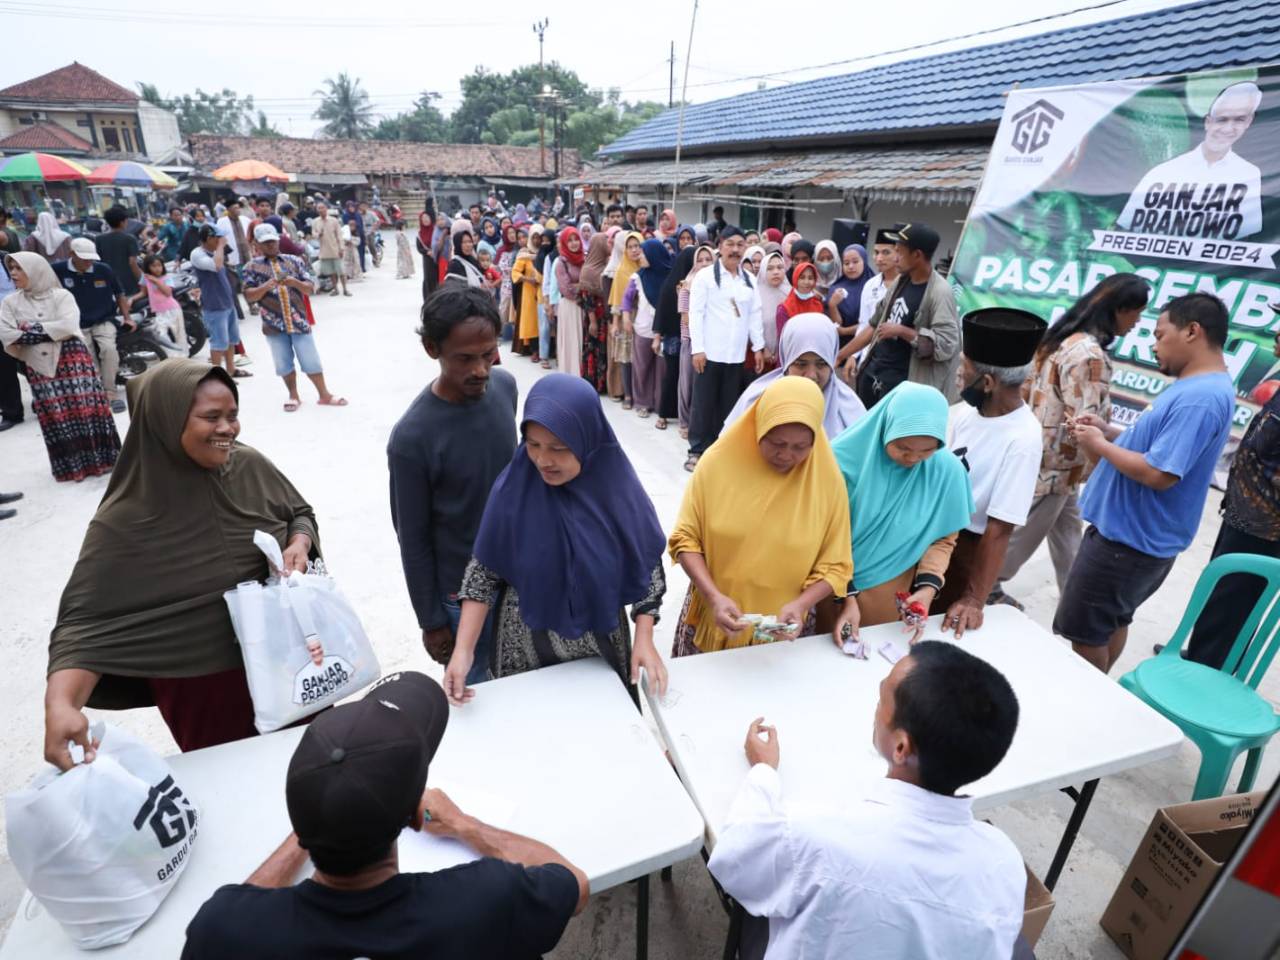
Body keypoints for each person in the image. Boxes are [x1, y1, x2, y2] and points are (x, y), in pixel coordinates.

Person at [180, 671, 586, 960]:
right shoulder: (485, 898)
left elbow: (242, 906)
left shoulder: (225, 931)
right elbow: (573, 882)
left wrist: (319, 815)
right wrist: (464, 824)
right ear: (413, 817)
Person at [43, 360, 318, 763]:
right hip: (205, 693)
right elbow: (82, 628)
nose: (228, 429)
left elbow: (298, 511)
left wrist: (300, 542)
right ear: (165, 422)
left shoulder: (249, 466)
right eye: (212, 417)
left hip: (291, 668)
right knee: (242, 790)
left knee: (319, 767)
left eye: (232, 415)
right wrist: (61, 707)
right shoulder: (123, 520)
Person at [708, 642, 1024, 960]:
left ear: (901, 748)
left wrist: (764, 770)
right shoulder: (1004, 862)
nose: (877, 694)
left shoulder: (815, 836)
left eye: (883, 695)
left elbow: (734, 856)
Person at [443, 374, 669, 703]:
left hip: (599, 645)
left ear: (588, 440)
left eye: (559, 448)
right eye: (532, 445)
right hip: (523, 648)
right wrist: (463, 652)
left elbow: (648, 567)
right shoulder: (513, 490)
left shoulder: (618, 492)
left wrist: (644, 637)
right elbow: (482, 575)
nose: (543, 460)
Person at [1054, 293, 1235, 672]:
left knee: (1086, 635)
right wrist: (1109, 431)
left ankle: (1086, 701)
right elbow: (1160, 448)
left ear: (1192, 331)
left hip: (1127, 545)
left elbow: (1159, 473)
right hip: (1134, 540)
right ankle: (1099, 691)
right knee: (1112, 621)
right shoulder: (1200, 388)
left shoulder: (1199, 398)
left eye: (1158, 334)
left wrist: (1099, 445)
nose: (1153, 345)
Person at [992, 274, 1151, 610]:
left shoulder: (1062, 338)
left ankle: (1076, 600)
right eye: (1136, 313)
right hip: (1056, 463)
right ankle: (985, 585)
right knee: (1023, 536)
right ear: (1118, 309)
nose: (1137, 323)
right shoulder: (1089, 355)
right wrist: (1104, 468)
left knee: (1067, 535)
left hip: (1050, 457)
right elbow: (1086, 423)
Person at [389, 286, 518, 687]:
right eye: (464, 358)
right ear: (432, 348)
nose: (480, 369)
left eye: (488, 354)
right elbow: (413, 539)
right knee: (473, 689)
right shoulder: (412, 438)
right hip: (459, 597)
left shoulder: (506, 388)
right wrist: (431, 621)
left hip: (518, 578)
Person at [669, 377, 852, 655]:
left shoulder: (827, 482)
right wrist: (713, 596)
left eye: (800, 447)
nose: (786, 455)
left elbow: (836, 564)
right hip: (715, 615)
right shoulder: (717, 464)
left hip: (784, 628)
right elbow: (685, 539)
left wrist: (801, 605)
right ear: (759, 426)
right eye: (775, 442)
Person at [828, 382, 972, 643]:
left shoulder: (945, 473)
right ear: (885, 429)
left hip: (888, 595)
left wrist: (927, 589)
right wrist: (844, 596)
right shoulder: (839, 463)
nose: (913, 459)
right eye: (903, 447)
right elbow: (820, 537)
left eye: (927, 450)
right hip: (826, 588)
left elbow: (942, 539)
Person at [936, 308, 1046, 638]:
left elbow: (999, 528)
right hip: (934, 540)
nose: (957, 376)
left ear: (987, 382)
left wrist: (973, 598)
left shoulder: (1023, 438)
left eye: (963, 369)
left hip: (968, 552)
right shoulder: (967, 412)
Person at [1187, 311, 1280, 668]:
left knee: (1234, 607)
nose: (1275, 332)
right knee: (1219, 597)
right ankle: (1200, 657)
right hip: (1245, 515)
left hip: (1264, 529)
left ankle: (1207, 676)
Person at [0, 252, 120, 481]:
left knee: (86, 410)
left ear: (36, 270)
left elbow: (67, 326)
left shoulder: (61, 295)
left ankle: (103, 461)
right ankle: (72, 468)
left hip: (73, 363)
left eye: (19, 268)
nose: (13, 273)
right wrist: (48, 331)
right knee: (56, 416)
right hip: (40, 366)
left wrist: (26, 328)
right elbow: (6, 333)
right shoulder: (10, 302)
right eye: (11, 268)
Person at [1117, 81, 1262, 240]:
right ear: (1208, 122)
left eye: (1239, 120)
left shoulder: (1249, 174)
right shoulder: (1162, 172)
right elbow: (1125, 231)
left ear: (1249, 122)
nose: (1228, 128)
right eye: (1222, 119)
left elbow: (1246, 237)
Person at [849, 223, 960, 408]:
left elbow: (946, 345)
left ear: (917, 255)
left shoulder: (940, 292)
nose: (896, 258)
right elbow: (874, 324)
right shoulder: (901, 281)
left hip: (904, 389)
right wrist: (842, 355)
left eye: (899, 252)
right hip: (875, 376)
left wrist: (902, 331)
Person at [243, 224, 346, 412]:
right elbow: (249, 296)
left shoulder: (294, 261)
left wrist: (295, 283)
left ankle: (324, 394)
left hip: (298, 320)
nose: (271, 246)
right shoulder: (252, 267)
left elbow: (310, 287)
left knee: (311, 358)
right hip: (273, 324)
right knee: (283, 362)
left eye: (273, 241)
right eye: (266, 243)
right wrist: (265, 287)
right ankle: (293, 395)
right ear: (257, 244)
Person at [686, 226, 764, 472]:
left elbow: (754, 315)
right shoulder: (705, 277)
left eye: (740, 245)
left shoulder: (750, 280)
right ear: (720, 246)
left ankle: (721, 449)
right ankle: (696, 450)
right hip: (709, 353)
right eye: (730, 244)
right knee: (703, 402)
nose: (735, 249)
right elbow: (695, 314)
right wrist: (697, 349)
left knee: (729, 404)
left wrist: (759, 347)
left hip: (736, 355)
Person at [726, 312, 866, 438]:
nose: (811, 375)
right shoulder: (756, 402)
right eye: (800, 364)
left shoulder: (850, 411)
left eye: (822, 364)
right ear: (786, 362)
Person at [52, 237, 132, 413]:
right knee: (86, 356)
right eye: (84, 259)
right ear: (72, 254)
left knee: (109, 350)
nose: (89, 263)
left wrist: (127, 318)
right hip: (76, 323)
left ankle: (110, 392)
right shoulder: (57, 270)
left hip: (104, 319)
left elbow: (119, 294)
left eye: (91, 259)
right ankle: (96, 392)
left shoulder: (103, 269)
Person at [190, 224, 246, 379]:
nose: (222, 240)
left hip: (227, 302)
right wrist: (221, 246)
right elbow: (216, 265)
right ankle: (218, 377)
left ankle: (231, 370)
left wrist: (220, 246)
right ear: (209, 238)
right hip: (214, 305)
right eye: (219, 238)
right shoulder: (197, 254)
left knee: (231, 340)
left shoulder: (214, 252)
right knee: (218, 343)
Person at [625, 237, 672, 421]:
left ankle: (660, 404)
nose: (639, 255)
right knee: (642, 368)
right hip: (643, 330)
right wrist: (626, 317)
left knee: (662, 371)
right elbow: (626, 300)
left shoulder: (670, 278)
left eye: (643, 253)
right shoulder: (637, 277)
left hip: (664, 332)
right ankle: (643, 403)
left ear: (654, 255)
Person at [608, 231, 644, 408]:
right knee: (625, 357)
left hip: (644, 316)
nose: (634, 250)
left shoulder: (647, 267)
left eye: (637, 246)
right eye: (630, 247)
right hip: (626, 317)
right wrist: (615, 324)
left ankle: (641, 395)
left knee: (642, 357)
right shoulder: (622, 270)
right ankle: (628, 394)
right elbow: (616, 299)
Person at [578, 231, 611, 393]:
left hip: (604, 317)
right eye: (605, 242)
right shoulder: (588, 269)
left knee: (603, 350)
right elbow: (586, 297)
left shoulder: (606, 265)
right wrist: (592, 321)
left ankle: (603, 383)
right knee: (593, 349)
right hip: (594, 319)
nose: (608, 245)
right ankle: (593, 383)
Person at [827, 243, 872, 352]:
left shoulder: (874, 287)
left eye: (855, 262)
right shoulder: (835, 288)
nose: (851, 266)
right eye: (846, 263)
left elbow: (873, 323)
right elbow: (837, 324)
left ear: (864, 262)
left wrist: (845, 331)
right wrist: (832, 305)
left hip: (865, 346)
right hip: (839, 347)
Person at [554, 226, 585, 377]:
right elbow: (566, 289)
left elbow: (591, 282)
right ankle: (570, 375)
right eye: (570, 240)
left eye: (576, 239)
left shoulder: (584, 259)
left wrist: (580, 286)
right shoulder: (561, 263)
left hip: (584, 306)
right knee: (571, 341)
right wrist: (583, 287)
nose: (574, 243)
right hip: (570, 306)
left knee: (582, 341)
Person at [94, 206, 142, 299]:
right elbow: (132, 263)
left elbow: (98, 261)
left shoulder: (99, 239)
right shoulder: (129, 238)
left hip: (110, 282)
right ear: (122, 222)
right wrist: (141, 280)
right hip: (129, 283)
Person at [215, 199, 252, 316]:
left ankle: (252, 305)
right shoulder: (221, 222)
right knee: (237, 284)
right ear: (228, 210)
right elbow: (219, 239)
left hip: (248, 256)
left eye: (238, 208)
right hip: (232, 259)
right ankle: (239, 310)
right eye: (234, 208)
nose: (237, 210)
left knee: (249, 282)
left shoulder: (246, 220)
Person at [142, 253, 186, 349]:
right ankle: (169, 356)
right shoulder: (145, 278)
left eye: (159, 265)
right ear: (148, 267)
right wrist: (131, 299)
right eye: (153, 266)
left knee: (179, 334)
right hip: (159, 311)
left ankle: (182, 356)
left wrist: (157, 281)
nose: (157, 268)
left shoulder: (167, 277)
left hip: (172, 309)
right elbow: (143, 293)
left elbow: (168, 292)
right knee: (161, 334)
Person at [512, 224, 543, 359]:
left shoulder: (545, 252)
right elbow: (515, 272)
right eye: (534, 237)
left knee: (545, 322)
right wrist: (528, 279)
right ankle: (534, 350)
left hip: (543, 290)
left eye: (539, 237)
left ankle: (547, 349)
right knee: (532, 321)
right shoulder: (525, 254)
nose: (536, 241)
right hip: (529, 292)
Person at [774, 262, 825, 340]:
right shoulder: (784, 309)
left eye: (810, 278)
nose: (806, 282)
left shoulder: (818, 305)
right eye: (802, 277)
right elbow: (782, 340)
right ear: (795, 279)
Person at [310, 201, 349, 297]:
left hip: (335, 250)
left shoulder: (334, 221)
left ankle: (345, 289)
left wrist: (341, 248)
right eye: (319, 208)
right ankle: (335, 289)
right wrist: (318, 234)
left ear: (326, 209)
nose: (321, 210)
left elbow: (339, 235)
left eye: (322, 207)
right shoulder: (315, 221)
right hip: (324, 251)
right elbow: (313, 234)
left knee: (341, 271)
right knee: (331, 272)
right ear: (316, 210)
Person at [446, 221, 486, 288]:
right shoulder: (455, 265)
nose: (468, 245)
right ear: (457, 244)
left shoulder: (473, 260)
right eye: (464, 242)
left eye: (470, 242)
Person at [342, 200, 367, 273]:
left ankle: (361, 269)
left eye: (352, 206)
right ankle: (351, 272)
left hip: (359, 236)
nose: (351, 208)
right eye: (349, 207)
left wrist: (363, 237)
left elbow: (361, 225)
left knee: (361, 254)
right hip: (350, 237)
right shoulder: (345, 216)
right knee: (351, 255)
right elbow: (346, 226)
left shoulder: (357, 215)